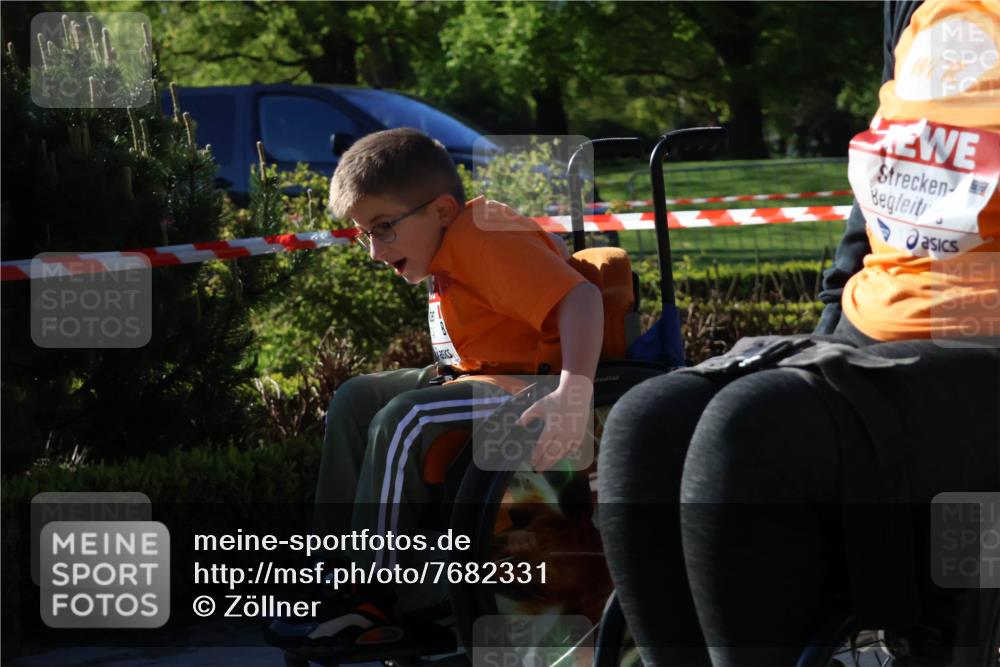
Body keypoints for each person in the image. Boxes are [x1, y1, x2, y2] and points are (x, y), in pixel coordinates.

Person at [598, 1, 1000, 665]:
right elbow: (882, 200)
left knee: (752, 426)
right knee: (647, 422)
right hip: (875, 335)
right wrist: (823, 341)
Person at [266, 128, 603, 652]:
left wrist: (573, 395)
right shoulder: (455, 236)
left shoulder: (484, 240)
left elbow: (582, 299)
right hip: (478, 375)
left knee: (407, 418)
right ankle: (334, 575)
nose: (374, 251)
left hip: (531, 385)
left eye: (383, 228)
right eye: (364, 234)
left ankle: (372, 597)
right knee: (356, 398)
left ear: (442, 210)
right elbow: (548, 253)